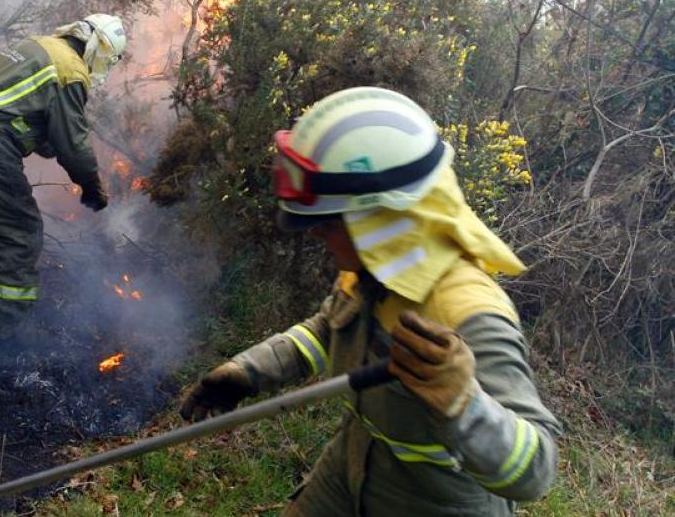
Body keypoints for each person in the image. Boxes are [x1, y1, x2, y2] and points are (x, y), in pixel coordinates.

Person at [180, 87, 561, 515]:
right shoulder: (373, 270)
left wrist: (464, 405)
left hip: (437, 503)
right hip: (353, 465)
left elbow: (537, 470)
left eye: (328, 221)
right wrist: (248, 372)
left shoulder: (466, 310)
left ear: (381, 218)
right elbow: (326, 328)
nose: (315, 233)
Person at [0, 14, 126, 362]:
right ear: (101, 50)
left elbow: (31, 119)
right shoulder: (70, 71)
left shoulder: (42, 45)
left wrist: (53, 145)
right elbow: (74, 146)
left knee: (1, 225)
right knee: (22, 232)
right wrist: (92, 187)